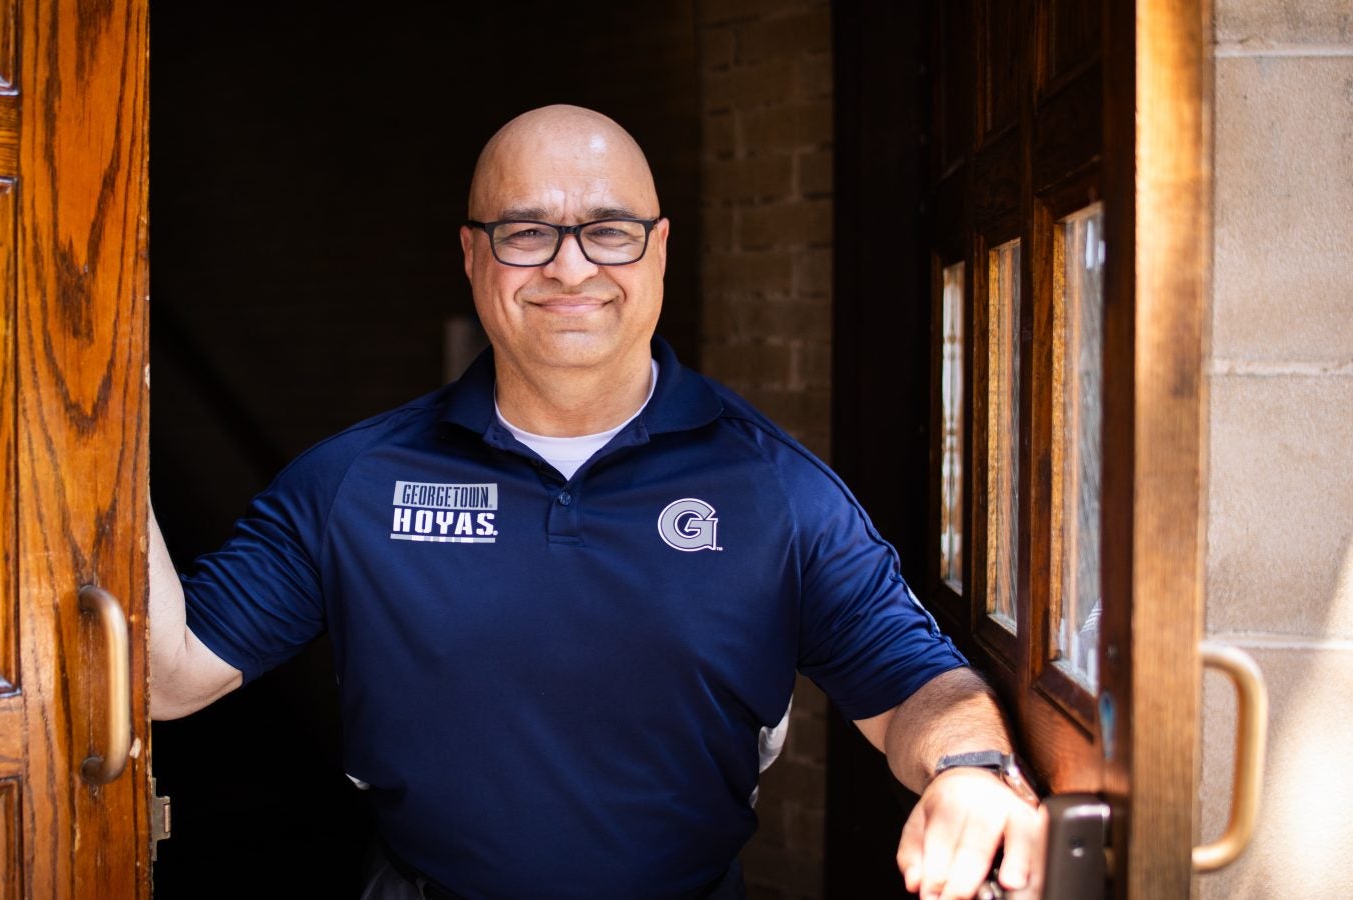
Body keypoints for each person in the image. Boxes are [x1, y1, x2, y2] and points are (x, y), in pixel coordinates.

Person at [150, 104, 1042, 900]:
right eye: (526, 231)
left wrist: (969, 767)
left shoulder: (777, 491)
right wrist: (89, 418)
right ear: (472, 255)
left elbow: (919, 682)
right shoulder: (352, 484)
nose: (570, 267)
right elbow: (172, 675)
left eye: (608, 231)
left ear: (659, 251)